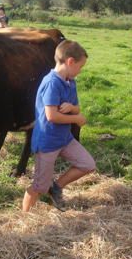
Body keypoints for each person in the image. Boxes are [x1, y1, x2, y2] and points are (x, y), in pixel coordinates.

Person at [22, 40, 96, 213]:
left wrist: (72, 109)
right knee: (39, 186)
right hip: (47, 142)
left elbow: (76, 107)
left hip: (64, 139)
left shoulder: (70, 82)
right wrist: (76, 119)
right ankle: (24, 216)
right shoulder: (52, 83)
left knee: (87, 164)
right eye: (80, 66)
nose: (80, 71)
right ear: (70, 62)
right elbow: (51, 116)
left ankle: (56, 187)